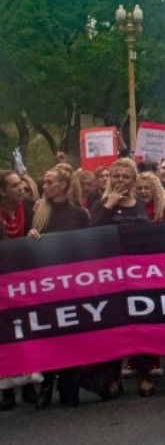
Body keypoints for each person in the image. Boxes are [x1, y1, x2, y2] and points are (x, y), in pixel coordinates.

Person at [89, 159, 155, 397]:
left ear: (134, 180)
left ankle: (144, 374)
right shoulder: (100, 204)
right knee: (115, 327)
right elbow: (91, 232)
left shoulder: (140, 204)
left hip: (137, 275)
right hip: (110, 276)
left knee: (140, 326)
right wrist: (110, 205)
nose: (120, 181)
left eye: (125, 177)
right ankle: (113, 376)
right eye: (116, 176)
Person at [27, 167, 90, 407]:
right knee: (49, 333)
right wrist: (30, 237)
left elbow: (87, 247)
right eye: (43, 183)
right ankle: (47, 381)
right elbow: (26, 249)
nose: (44, 187)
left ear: (63, 186)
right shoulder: (38, 211)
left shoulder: (79, 214)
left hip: (72, 283)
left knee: (71, 333)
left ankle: (69, 382)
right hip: (46, 283)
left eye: (49, 182)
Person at [0, 170, 38, 411]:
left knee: (26, 329)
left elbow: (38, 233)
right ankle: (6, 390)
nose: (22, 187)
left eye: (22, 183)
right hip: (2, 280)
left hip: (24, 280)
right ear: (2, 191)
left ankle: (28, 385)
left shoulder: (31, 208)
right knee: (4, 334)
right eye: (15, 185)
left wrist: (34, 235)